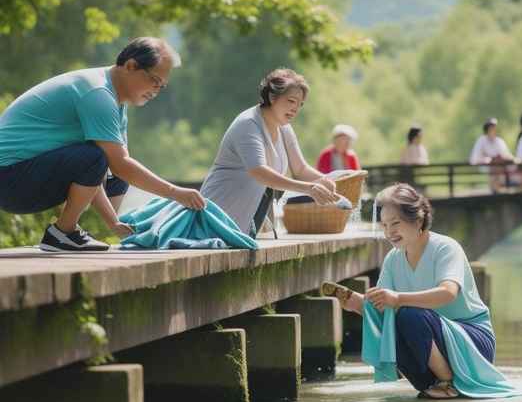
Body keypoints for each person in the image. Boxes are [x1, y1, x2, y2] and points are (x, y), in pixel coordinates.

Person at [0, 37, 205, 252]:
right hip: (10, 177)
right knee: (105, 160)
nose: (156, 90)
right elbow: (112, 163)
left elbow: (113, 167)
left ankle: (77, 233)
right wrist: (175, 192)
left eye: (162, 86)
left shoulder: (116, 102)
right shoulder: (97, 93)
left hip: (24, 176)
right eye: (154, 80)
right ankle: (62, 234)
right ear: (131, 66)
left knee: (114, 166)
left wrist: (113, 223)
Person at [335, 184, 501, 399]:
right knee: (396, 321)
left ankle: (448, 381)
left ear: (419, 220)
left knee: (409, 313)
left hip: (472, 341)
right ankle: (433, 382)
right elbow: (386, 310)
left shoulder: (446, 247)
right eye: (384, 225)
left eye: (396, 223)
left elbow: (448, 293)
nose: (389, 232)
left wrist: (398, 298)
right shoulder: (393, 259)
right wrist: (360, 304)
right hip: (431, 345)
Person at [201, 68, 338, 237]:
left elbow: (300, 169)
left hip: (245, 223)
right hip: (216, 216)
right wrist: (309, 188)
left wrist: (325, 181)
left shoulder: (284, 128)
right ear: (273, 97)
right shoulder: (248, 124)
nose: (295, 108)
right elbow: (259, 172)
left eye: (299, 104)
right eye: (291, 101)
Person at [469, 118, 515, 193]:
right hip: (487, 168)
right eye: (492, 128)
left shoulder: (499, 141)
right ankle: (494, 190)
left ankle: (499, 190)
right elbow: (474, 159)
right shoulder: (481, 141)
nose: (494, 130)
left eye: (494, 128)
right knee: (495, 167)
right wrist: (489, 160)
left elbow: (507, 155)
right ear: (487, 129)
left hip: (500, 169)